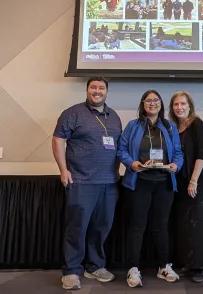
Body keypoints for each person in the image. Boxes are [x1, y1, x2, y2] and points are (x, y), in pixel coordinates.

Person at [52, 77, 122, 290]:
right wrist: (63, 170)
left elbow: (118, 146)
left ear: (106, 92)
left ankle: (95, 267)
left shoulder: (114, 116)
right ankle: (72, 271)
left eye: (101, 88)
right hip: (81, 181)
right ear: (87, 90)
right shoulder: (72, 113)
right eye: (93, 87)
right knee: (77, 228)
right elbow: (57, 140)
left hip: (109, 183)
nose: (97, 91)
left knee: (102, 227)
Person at [117, 90, 183, 288]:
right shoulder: (133, 126)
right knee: (137, 226)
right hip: (140, 182)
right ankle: (133, 268)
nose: (152, 103)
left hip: (164, 183)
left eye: (156, 100)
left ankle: (164, 266)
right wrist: (132, 163)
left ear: (161, 104)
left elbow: (178, 153)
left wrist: (175, 166)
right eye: (148, 100)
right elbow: (121, 149)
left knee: (162, 227)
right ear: (143, 104)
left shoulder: (170, 127)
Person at [169, 91, 203, 283]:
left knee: (199, 225)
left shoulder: (196, 124)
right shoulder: (173, 127)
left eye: (182, 104)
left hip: (196, 182)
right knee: (184, 225)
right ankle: (189, 262)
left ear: (190, 106)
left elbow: (202, 153)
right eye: (176, 104)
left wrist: (194, 180)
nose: (179, 107)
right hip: (178, 183)